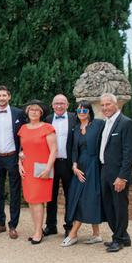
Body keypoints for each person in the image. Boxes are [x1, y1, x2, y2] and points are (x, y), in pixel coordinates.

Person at [61, 100, 105, 247]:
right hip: (79, 166)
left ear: (89, 112)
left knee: (87, 198)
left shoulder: (98, 124)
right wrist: (74, 166)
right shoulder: (76, 128)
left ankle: (73, 234)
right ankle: (97, 234)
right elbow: (74, 149)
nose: (81, 113)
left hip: (94, 166)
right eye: (79, 110)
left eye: (84, 110)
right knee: (80, 197)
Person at [0, 85, 25, 239]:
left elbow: (24, 133)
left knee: (15, 192)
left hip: (13, 156)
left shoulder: (18, 113)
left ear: (9, 97)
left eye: (4, 95)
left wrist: (23, 151)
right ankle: (1, 223)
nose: (1, 98)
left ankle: (13, 225)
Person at [99, 93, 132, 253]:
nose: (105, 108)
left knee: (119, 207)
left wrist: (122, 177)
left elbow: (129, 153)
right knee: (108, 206)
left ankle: (119, 239)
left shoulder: (126, 123)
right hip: (105, 171)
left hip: (118, 174)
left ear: (116, 105)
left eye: (108, 104)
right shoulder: (106, 123)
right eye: (103, 105)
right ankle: (122, 236)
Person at [18, 100, 57, 245]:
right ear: (27, 112)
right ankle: (37, 229)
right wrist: (19, 163)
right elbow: (22, 150)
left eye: (37, 110)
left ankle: (38, 232)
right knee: (30, 199)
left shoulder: (48, 128)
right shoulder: (23, 129)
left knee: (38, 200)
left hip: (42, 168)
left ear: (41, 113)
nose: (34, 112)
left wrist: (48, 168)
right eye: (31, 109)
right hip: (27, 168)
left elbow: (54, 150)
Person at [44, 94, 77, 237]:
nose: (59, 106)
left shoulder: (74, 119)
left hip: (68, 163)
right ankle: (51, 226)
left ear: (67, 105)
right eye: (56, 103)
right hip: (51, 163)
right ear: (52, 105)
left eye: (62, 103)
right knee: (50, 196)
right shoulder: (47, 120)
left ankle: (69, 226)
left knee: (70, 196)